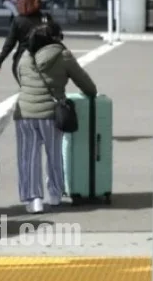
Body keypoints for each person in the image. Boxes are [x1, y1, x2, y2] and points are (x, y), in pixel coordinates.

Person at [13, 22, 97, 213]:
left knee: (28, 157)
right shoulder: (63, 55)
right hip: (51, 113)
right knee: (54, 154)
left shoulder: (25, 56)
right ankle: (55, 195)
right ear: (56, 38)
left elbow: (20, 78)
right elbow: (88, 85)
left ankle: (33, 200)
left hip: (24, 112)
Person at [0, 0, 53, 84]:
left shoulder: (18, 21)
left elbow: (9, 44)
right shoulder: (46, 18)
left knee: (27, 89)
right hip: (44, 61)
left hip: (22, 62)